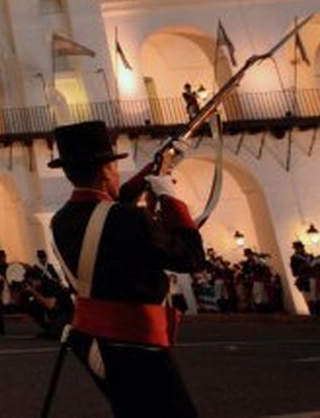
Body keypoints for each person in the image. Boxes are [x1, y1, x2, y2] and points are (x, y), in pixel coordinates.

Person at [48, 120, 205, 417]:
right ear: (107, 170)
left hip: (95, 341)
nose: (117, 173)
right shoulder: (130, 219)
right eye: (114, 167)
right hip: (139, 342)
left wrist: (156, 169)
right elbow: (191, 258)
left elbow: (105, 212)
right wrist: (170, 197)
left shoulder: (60, 221)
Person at [289, 241, 320, 317]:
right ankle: (313, 312)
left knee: (318, 295)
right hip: (305, 279)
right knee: (309, 296)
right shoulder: (294, 258)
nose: (300, 249)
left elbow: (318, 266)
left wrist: (317, 261)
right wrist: (304, 267)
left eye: (301, 247)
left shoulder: (309, 256)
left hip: (314, 277)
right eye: (298, 248)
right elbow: (295, 271)